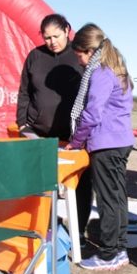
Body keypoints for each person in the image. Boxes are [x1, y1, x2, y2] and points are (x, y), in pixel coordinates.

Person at [15, 13, 91, 240]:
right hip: (40, 134)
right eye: (47, 38)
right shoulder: (35, 56)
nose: (52, 42)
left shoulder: (80, 55)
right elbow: (24, 92)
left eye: (56, 36)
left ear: (67, 30)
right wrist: (22, 124)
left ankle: (78, 232)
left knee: (81, 184)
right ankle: (44, 228)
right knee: (41, 182)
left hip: (74, 136)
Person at [66, 23, 134, 271]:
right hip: (120, 141)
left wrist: (75, 142)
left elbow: (92, 114)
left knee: (107, 200)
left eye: (81, 55)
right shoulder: (119, 71)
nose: (81, 62)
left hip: (106, 144)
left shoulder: (101, 74)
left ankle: (107, 254)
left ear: (90, 50)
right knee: (117, 198)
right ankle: (119, 249)